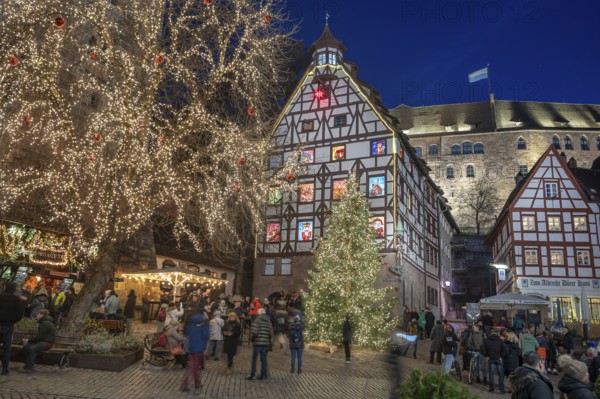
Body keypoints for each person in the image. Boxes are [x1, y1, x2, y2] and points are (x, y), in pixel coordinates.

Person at [180, 310, 209, 394]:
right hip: (199, 347)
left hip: (191, 347)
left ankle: (197, 383)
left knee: (195, 366)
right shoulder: (204, 324)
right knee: (193, 367)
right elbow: (205, 336)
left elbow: (186, 334)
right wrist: (204, 348)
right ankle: (184, 384)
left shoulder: (189, 323)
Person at [0, 282, 25, 375]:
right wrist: (13, 320)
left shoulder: (1, 297)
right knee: (6, 348)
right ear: (14, 289)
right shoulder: (16, 299)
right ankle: (5, 368)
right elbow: (20, 313)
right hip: (9, 325)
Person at [19, 309, 56, 373]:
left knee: (31, 348)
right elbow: (39, 336)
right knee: (27, 347)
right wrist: (29, 341)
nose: (36, 315)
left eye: (38, 314)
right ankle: (28, 366)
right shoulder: (43, 322)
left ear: (42, 315)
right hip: (43, 341)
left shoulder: (45, 323)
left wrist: (28, 340)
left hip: (47, 343)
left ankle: (29, 368)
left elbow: (40, 337)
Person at [247, 308, 272, 380]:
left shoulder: (257, 321)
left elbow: (254, 332)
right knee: (264, 360)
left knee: (254, 359)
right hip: (265, 344)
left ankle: (253, 375)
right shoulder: (268, 322)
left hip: (257, 343)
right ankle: (263, 375)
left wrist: (252, 339)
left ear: (258, 313)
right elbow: (271, 333)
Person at [481, 328, 507, 393]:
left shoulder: (486, 340)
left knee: (491, 374)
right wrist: (501, 356)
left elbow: (482, 349)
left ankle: (491, 388)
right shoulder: (500, 341)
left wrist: (486, 355)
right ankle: (502, 389)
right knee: (501, 374)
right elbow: (505, 350)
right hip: (499, 359)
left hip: (490, 358)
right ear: (497, 333)